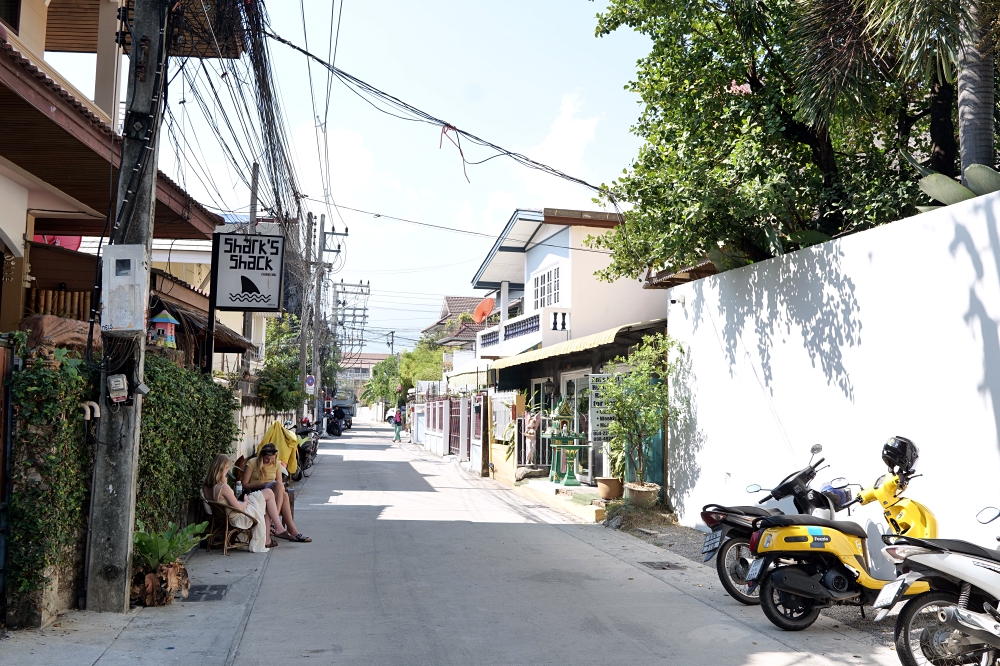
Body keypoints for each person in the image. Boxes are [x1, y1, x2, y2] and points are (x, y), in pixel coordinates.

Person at [203, 453, 289, 551]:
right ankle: (276, 530)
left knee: (265, 497)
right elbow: (240, 508)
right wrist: (245, 500)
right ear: (222, 468)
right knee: (268, 495)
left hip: (223, 516)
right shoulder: (223, 487)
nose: (227, 471)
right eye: (227, 468)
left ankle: (273, 532)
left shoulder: (206, 486)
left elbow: (224, 503)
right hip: (237, 517)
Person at [242, 443, 312, 543]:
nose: (270, 461)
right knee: (284, 494)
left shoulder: (277, 464)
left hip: (272, 495)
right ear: (261, 456)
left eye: (272, 459)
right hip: (256, 493)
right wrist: (262, 485)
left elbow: (279, 484)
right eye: (267, 458)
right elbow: (244, 484)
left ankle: (278, 525)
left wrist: (271, 485)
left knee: (282, 490)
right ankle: (288, 529)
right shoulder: (252, 463)